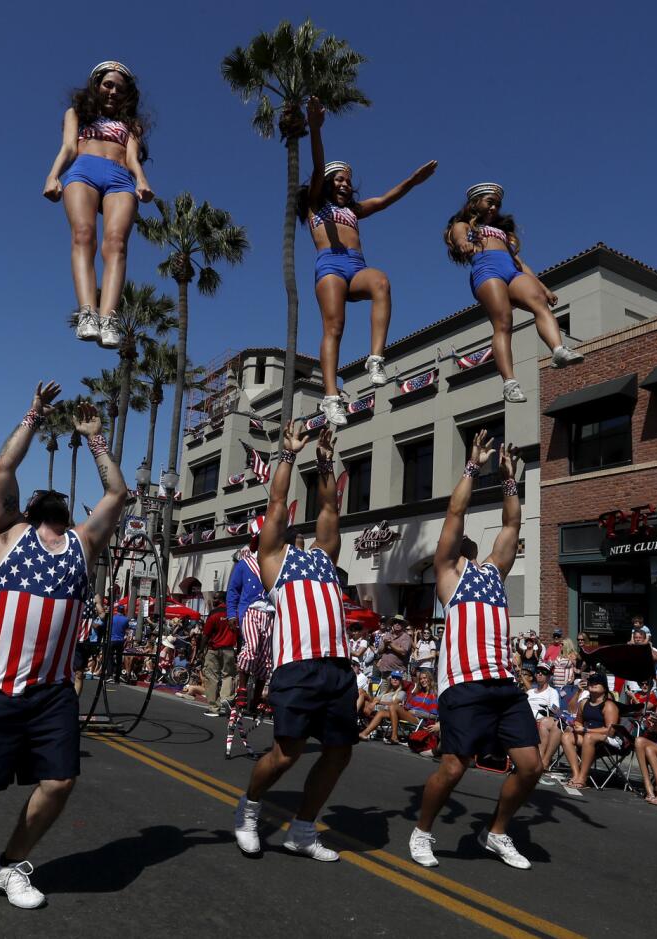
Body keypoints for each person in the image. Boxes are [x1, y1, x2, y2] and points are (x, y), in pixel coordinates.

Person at [0, 384, 126, 909]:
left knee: (59, 783)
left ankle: (9, 866)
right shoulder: (5, 533)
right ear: (32, 506)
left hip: (52, 691)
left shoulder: (83, 545)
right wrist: (36, 415)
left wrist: (96, 440)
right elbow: (1, 470)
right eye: (43, 498)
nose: (49, 501)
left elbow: (116, 495)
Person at [412, 431, 542, 869]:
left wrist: (508, 480)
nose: (459, 539)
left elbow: (511, 526)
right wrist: (472, 466)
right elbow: (455, 510)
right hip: (464, 684)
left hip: (503, 684)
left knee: (531, 767)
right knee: (453, 768)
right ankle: (422, 833)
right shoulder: (448, 575)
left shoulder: (492, 572)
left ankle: (496, 833)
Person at [233, 424, 353, 862]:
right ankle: (248, 811)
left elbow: (330, 506)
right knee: (286, 754)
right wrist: (288, 455)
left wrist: (325, 463)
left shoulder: (324, 557)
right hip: (297, 666)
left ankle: (302, 830)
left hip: (338, 666)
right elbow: (277, 502)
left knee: (339, 754)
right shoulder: (272, 562)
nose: (291, 530)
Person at [301, 96, 435, 425]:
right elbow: (318, 168)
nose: (345, 183)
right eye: (340, 179)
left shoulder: (354, 211)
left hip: (356, 267)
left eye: (349, 180)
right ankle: (331, 397)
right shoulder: (315, 204)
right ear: (329, 184)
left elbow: (385, 200)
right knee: (335, 327)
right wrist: (316, 130)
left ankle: (375, 358)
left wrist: (411, 182)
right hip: (329, 266)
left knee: (381, 282)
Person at [43, 61, 153, 348]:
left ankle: (109, 317)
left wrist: (141, 180)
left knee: (116, 243)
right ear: (97, 86)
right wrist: (53, 175)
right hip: (83, 172)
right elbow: (68, 148)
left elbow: (132, 157)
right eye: (108, 84)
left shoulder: (132, 125)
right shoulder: (77, 114)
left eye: (120, 87)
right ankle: (88, 312)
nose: (113, 91)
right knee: (83, 235)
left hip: (120, 178)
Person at [443, 182, 582, 404]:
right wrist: (463, 244)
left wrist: (543, 287)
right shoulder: (464, 225)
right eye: (490, 202)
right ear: (475, 203)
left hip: (510, 271)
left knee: (538, 302)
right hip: (487, 269)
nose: (494, 208)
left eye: (497, 204)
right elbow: (459, 236)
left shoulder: (503, 233)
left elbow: (520, 263)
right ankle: (510, 383)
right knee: (503, 322)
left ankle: (557, 349)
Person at [226, 518, 274, 713]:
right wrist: (231, 614)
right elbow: (233, 591)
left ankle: (255, 699)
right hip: (250, 610)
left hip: (270, 613)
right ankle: (243, 689)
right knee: (251, 648)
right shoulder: (245, 564)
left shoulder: (276, 563)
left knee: (266, 658)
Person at [561, 673, 621, 791]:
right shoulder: (584, 703)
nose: (593, 684)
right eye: (591, 682)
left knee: (589, 736)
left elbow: (610, 730)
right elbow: (578, 721)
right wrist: (575, 725)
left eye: (597, 682)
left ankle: (583, 778)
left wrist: (585, 730)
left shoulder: (608, 705)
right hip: (588, 736)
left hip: (608, 740)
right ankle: (576, 774)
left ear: (604, 687)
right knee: (566, 737)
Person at [200, 599, 238, 717]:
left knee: (211, 677)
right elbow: (240, 634)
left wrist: (201, 650)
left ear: (219, 600)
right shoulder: (235, 614)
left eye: (215, 598)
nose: (213, 600)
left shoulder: (214, 613)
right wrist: (240, 650)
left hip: (214, 649)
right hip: (229, 649)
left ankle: (214, 708)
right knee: (229, 675)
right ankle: (226, 698)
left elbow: (206, 634)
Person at [526, 665, 563, 770]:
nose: (540, 674)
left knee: (544, 722)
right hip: (526, 717)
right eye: (537, 671)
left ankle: (540, 759)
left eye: (543, 672)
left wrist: (550, 709)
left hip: (540, 718)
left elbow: (556, 708)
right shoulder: (530, 692)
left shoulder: (552, 692)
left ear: (549, 676)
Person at [358, 671, 407, 743]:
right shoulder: (386, 691)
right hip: (375, 707)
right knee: (361, 691)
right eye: (393, 678)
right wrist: (370, 687)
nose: (395, 679)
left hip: (385, 711)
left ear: (400, 681)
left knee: (364, 699)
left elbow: (394, 704)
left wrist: (378, 702)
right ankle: (352, 716)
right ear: (390, 680)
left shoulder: (401, 693)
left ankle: (359, 728)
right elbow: (374, 699)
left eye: (397, 678)